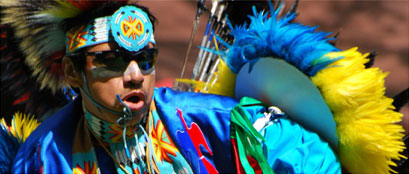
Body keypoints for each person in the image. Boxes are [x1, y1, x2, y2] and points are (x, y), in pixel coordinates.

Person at [0, 1, 405, 174]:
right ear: (73, 75)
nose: (135, 75)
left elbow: (302, 154)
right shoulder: (45, 155)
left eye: (146, 60)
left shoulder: (211, 120)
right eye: (110, 62)